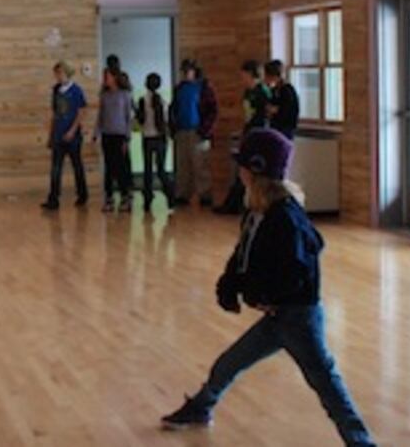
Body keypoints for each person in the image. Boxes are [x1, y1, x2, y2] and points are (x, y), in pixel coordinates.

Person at [160, 129, 376, 445]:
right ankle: (201, 407)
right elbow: (243, 252)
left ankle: (361, 442)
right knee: (227, 364)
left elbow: (297, 271)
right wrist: (230, 284)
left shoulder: (286, 218)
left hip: (298, 319)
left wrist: (258, 292)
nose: (239, 170)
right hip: (277, 318)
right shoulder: (256, 210)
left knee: (325, 383)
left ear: (256, 170)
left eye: (243, 165)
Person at [216, 60, 272, 215]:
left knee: (251, 170)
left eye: (244, 75)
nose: (242, 79)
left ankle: (246, 204)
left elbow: (264, 116)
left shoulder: (263, 92)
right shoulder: (248, 92)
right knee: (242, 170)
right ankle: (235, 204)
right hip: (249, 133)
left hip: (259, 135)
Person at [169, 60, 218, 208]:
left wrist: (205, 130)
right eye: (183, 71)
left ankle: (205, 195)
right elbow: (173, 109)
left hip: (198, 132)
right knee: (182, 165)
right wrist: (174, 128)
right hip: (182, 131)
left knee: (201, 166)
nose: (185, 74)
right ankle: (182, 194)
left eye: (187, 71)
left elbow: (212, 110)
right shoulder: (179, 89)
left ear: (194, 71)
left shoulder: (203, 88)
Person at [42, 60, 89, 210]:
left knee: (77, 166)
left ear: (66, 73)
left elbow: (81, 112)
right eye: (56, 73)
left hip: (72, 136)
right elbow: (54, 113)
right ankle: (53, 198)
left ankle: (82, 194)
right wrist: (51, 135)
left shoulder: (76, 90)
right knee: (55, 168)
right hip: (58, 134)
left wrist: (72, 131)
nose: (57, 76)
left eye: (60, 73)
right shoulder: (56, 90)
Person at [97, 67, 135, 212]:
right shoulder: (104, 96)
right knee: (109, 167)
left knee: (121, 168)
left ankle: (125, 196)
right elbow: (100, 116)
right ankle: (109, 197)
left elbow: (129, 118)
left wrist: (127, 137)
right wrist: (96, 132)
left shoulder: (125, 95)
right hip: (107, 135)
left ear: (114, 78)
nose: (105, 79)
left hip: (120, 136)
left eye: (107, 76)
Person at [136, 72, 170, 212]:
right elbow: (166, 120)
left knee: (148, 171)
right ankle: (170, 198)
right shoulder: (163, 101)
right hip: (161, 138)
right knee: (161, 170)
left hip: (147, 138)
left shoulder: (142, 100)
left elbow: (140, 120)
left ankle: (147, 202)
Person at [264, 59, 301, 139]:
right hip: (276, 127)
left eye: (267, 75)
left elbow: (287, 110)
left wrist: (275, 110)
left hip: (285, 128)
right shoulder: (274, 90)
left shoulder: (287, 90)